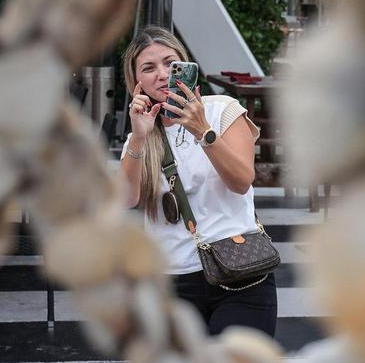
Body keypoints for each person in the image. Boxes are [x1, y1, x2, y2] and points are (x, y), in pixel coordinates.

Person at [119, 27, 278, 339]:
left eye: (170, 63)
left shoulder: (221, 110)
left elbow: (241, 180)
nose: (162, 74)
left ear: (186, 67)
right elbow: (126, 198)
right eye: (149, 68)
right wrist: (138, 136)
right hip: (171, 282)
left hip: (240, 272)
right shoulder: (139, 138)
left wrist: (201, 130)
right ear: (136, 82)